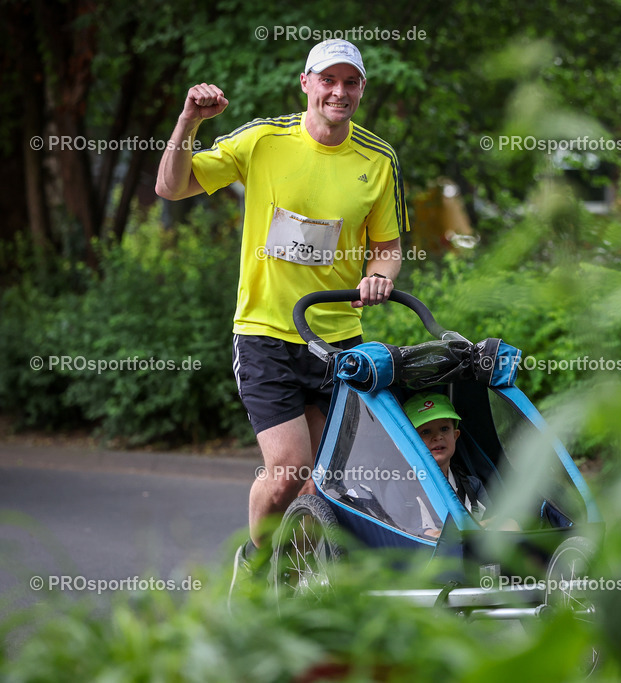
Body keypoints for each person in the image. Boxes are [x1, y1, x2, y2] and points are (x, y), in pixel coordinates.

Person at [154, 38, 410, 596]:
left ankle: (302, 588)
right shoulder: (263, 140)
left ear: (361, 89)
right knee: (290, 469)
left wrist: (380, 275)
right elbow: (170, 187)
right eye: (328, 80)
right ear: (306, 83)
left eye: (350, 82)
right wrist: (187, 122)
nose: (338, 92)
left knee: (325, 486)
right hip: (266, 333)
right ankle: (254, 567)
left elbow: (387, 246)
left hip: (338, 340)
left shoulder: (378, 159)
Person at [402, 392, 489, 531]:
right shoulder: (401, 490)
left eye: (444, 429)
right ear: (409, 442)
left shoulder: (472, 486)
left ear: (455, 435)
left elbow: (498, 527)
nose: (437, 437)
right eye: (425, 431)